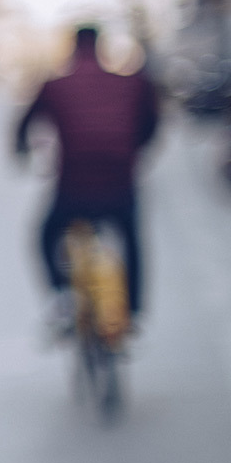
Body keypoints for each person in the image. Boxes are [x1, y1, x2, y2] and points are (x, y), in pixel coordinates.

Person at [15, 25, 160, 322]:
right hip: (120, 183)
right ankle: (132, 310)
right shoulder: (132, 84)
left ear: (73, 48)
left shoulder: (54, 86)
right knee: (131, 236)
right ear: (99, 47)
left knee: (46, 233)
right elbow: (151, 123)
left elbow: (24, 124)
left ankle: (61, 295)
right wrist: (135, 149)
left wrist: (22, 151)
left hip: (74, 187)